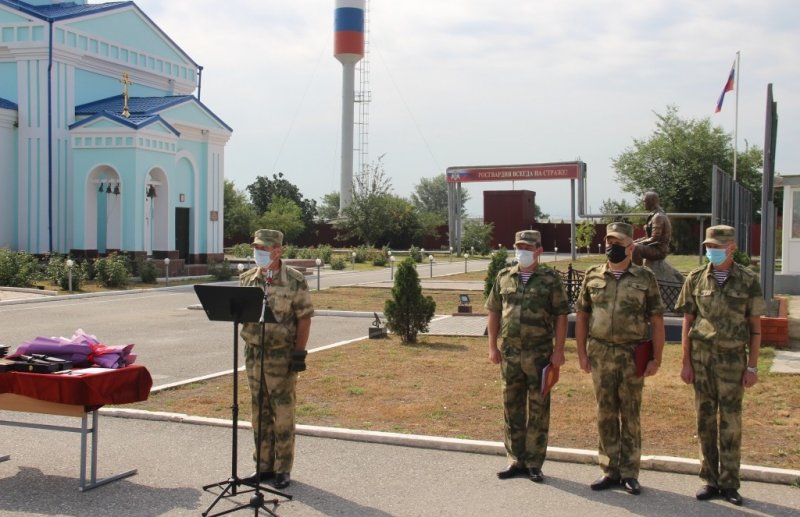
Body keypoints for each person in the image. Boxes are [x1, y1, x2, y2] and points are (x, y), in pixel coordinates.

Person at [675, 225, 765, 506]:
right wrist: (685, 362)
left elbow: (755, 327)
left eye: (717, 246)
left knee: (731, 422)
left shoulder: (748, 280)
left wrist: (752, 367)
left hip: (732, 362)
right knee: (705, 421)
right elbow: (688, 322)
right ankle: (710, 479)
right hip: (701, 361)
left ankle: (730, 482)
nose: (711, 250)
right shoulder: (696, 278)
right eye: (708, 246)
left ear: (732, 248)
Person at [575, 222, 665, 495]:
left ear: (630, 247)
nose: (611, 248)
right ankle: (608, 469)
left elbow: (657, 321)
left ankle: (629, 472)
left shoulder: (645, 278)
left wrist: (656, 358)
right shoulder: (592, 275)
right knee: (605, 413)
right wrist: (581, 353)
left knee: (630, 414)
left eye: (618, 244)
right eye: (608, 243)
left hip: (631, 354)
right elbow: (582, 317)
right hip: (601, 353)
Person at [485, 230, 569, 483]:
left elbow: (561, 316)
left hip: (540, 353)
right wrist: (492, 347)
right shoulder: (504, 276)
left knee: (538, 408)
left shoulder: (550, 280)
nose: (522, 250)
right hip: (510, 352)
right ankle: (515, 459)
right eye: (518, 245)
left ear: (538, 251)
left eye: (527, 247)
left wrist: (559, 351)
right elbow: (494, 312)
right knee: (511, 407)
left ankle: (534, 462)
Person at [239, 229, 314, 489]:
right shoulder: (248, 279)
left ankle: (283, 469)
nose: (257, 253)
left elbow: (304, 317)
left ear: (278, 250)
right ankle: (263, 466)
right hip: (254, 353)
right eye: (256, 248)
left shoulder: (294, 280)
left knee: (282, 412)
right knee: (259, 411)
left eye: (263, 249)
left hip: (281, 355)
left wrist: (299, 352)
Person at [633, 191, 672, 265]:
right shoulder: (654, 215)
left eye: (644, 201)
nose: (643, 203)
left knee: (635, 248)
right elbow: (648, 237)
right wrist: (634, 241)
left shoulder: (658, 216)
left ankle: (638, 273)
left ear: (651, 201)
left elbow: (655, 239)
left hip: (659, 250)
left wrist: (636, 244)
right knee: (632, 244)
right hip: (653, 247)